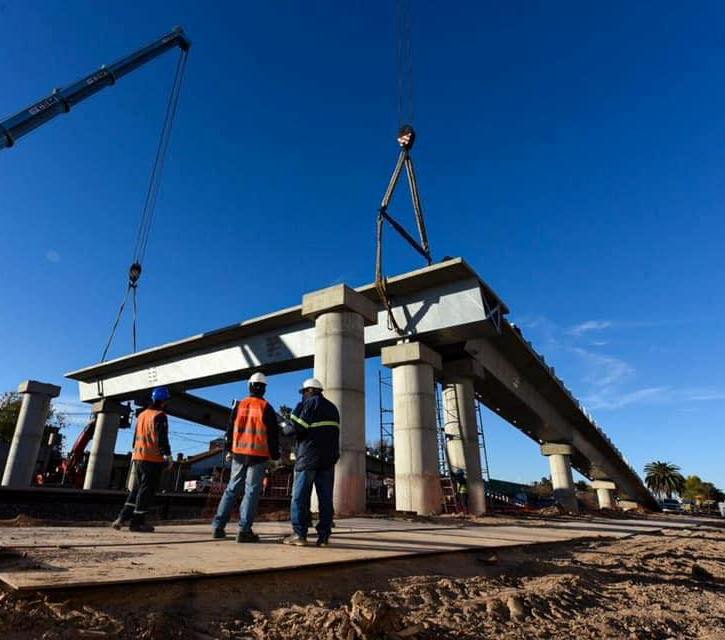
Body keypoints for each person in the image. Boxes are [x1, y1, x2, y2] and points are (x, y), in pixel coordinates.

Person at [211, 372, 280, 542]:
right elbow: (273, 435)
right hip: (258, 456)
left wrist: (228, 449)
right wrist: (275, 455)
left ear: (249, 386)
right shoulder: (267, 408)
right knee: (251, 492)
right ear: (264, 389)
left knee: (231, 489)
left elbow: (229, 429)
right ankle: (244, 531)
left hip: (239, 454)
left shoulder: (239, 406)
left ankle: (218, 527)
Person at [282, 377, 340, 547]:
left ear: (308, 391)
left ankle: (299, 534)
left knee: (299, 497)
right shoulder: (332, 407)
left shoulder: (308, 404)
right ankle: (324, 537)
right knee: (325, 498)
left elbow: (298, 427)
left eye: (303, 393)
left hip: (308, 458)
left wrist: (287, 425)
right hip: (328, 459)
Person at [112, 387, 172, 533]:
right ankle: (137, 523)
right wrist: (168, 455)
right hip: (152, 459)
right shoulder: (160, 416)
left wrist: (135, 451)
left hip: (138, 456)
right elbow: (161, 438)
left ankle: (122, 517)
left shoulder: (142, 415)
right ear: (164, 401)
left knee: (137, 489)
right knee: (146, 491)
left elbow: (135, 438)